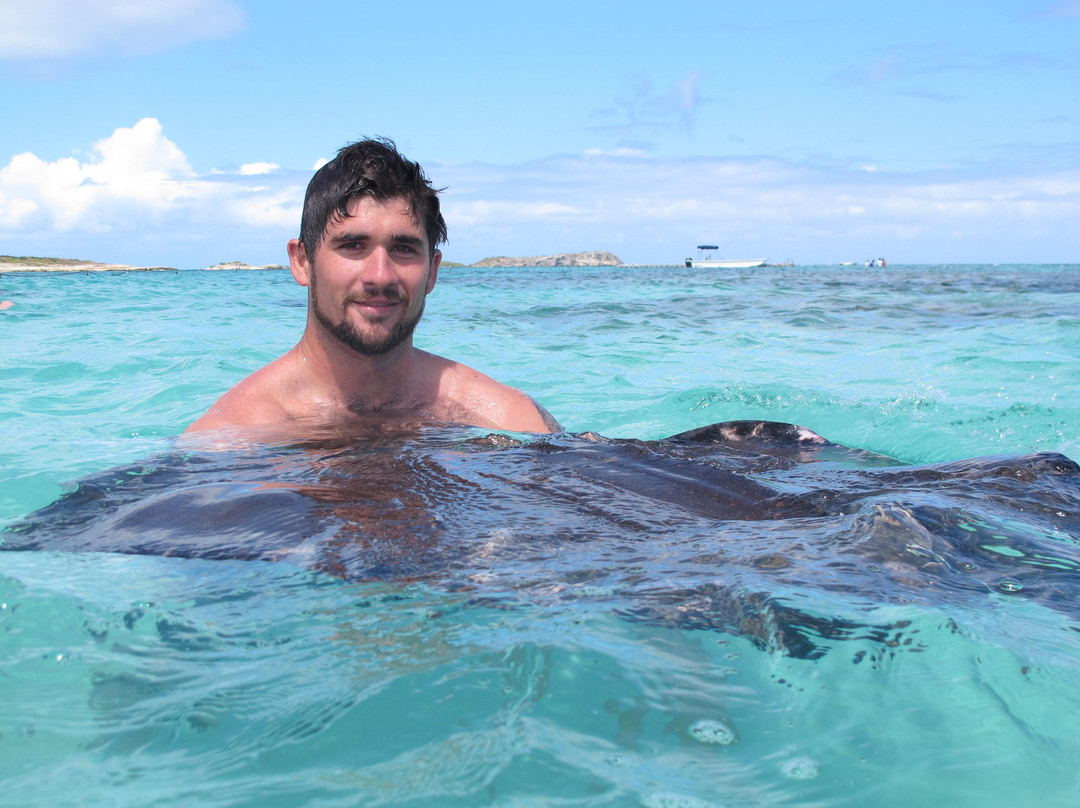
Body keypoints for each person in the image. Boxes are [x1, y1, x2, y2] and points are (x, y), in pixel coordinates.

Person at [186, 138, 559, 436]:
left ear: (432, 271)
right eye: (352, 246)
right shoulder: (232, 441)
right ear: (302, 261)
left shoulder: (508, 419)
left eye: (403, 248)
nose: (380, 275)